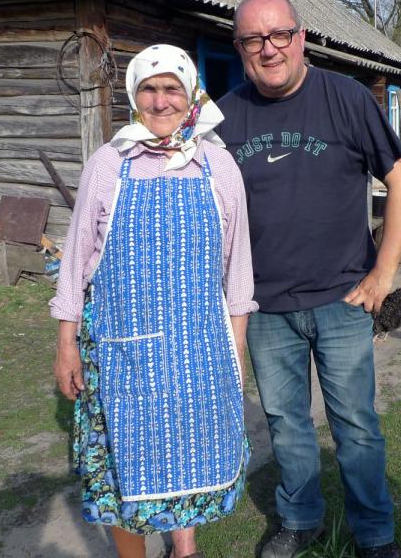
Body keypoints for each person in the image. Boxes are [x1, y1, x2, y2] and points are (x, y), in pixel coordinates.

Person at [216, 0, 401, 558]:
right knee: (286, 424)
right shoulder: (225, 118)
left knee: (355, 423)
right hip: (265, 307)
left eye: (279, 35)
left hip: (342, 298)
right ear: (240, 49)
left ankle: (375, 535)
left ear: (301, 37)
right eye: (254, 40)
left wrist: (384, 270)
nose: (269, 49)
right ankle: (299, 519)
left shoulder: (347, 98)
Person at [51, 44, 257, 558]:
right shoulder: (109, 164)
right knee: (126, 466)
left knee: (191, 453)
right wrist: (66, 345)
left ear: (191, 96)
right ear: (133, 95)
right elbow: (75, 261)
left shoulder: (219, 166)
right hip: (123, 348)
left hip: (197, 348)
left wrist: (236, 354)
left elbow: (238, 270)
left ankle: (184, 550)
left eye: (172, 89)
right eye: (149, 88)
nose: (160, 101)